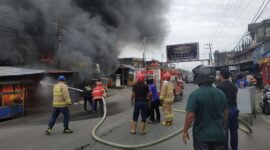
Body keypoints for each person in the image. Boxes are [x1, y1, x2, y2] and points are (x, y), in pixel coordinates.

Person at [183, 65, 228, 150]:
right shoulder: (221, 93)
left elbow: (190, 116)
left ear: (200, 77)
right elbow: (226, 113)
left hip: (202, 137)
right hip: (219, 135)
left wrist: (185, 131)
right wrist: (223, 127)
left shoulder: (195, 95)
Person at [217, 68, 239, 150]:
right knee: (234, 131)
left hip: (225, 111)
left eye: (219, 75)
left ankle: (225, 148)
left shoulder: (219, 86)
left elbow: (218, 101)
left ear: (221, 75)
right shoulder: (234, 85)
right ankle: (234, 148)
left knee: (225, 130)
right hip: (234, 109)